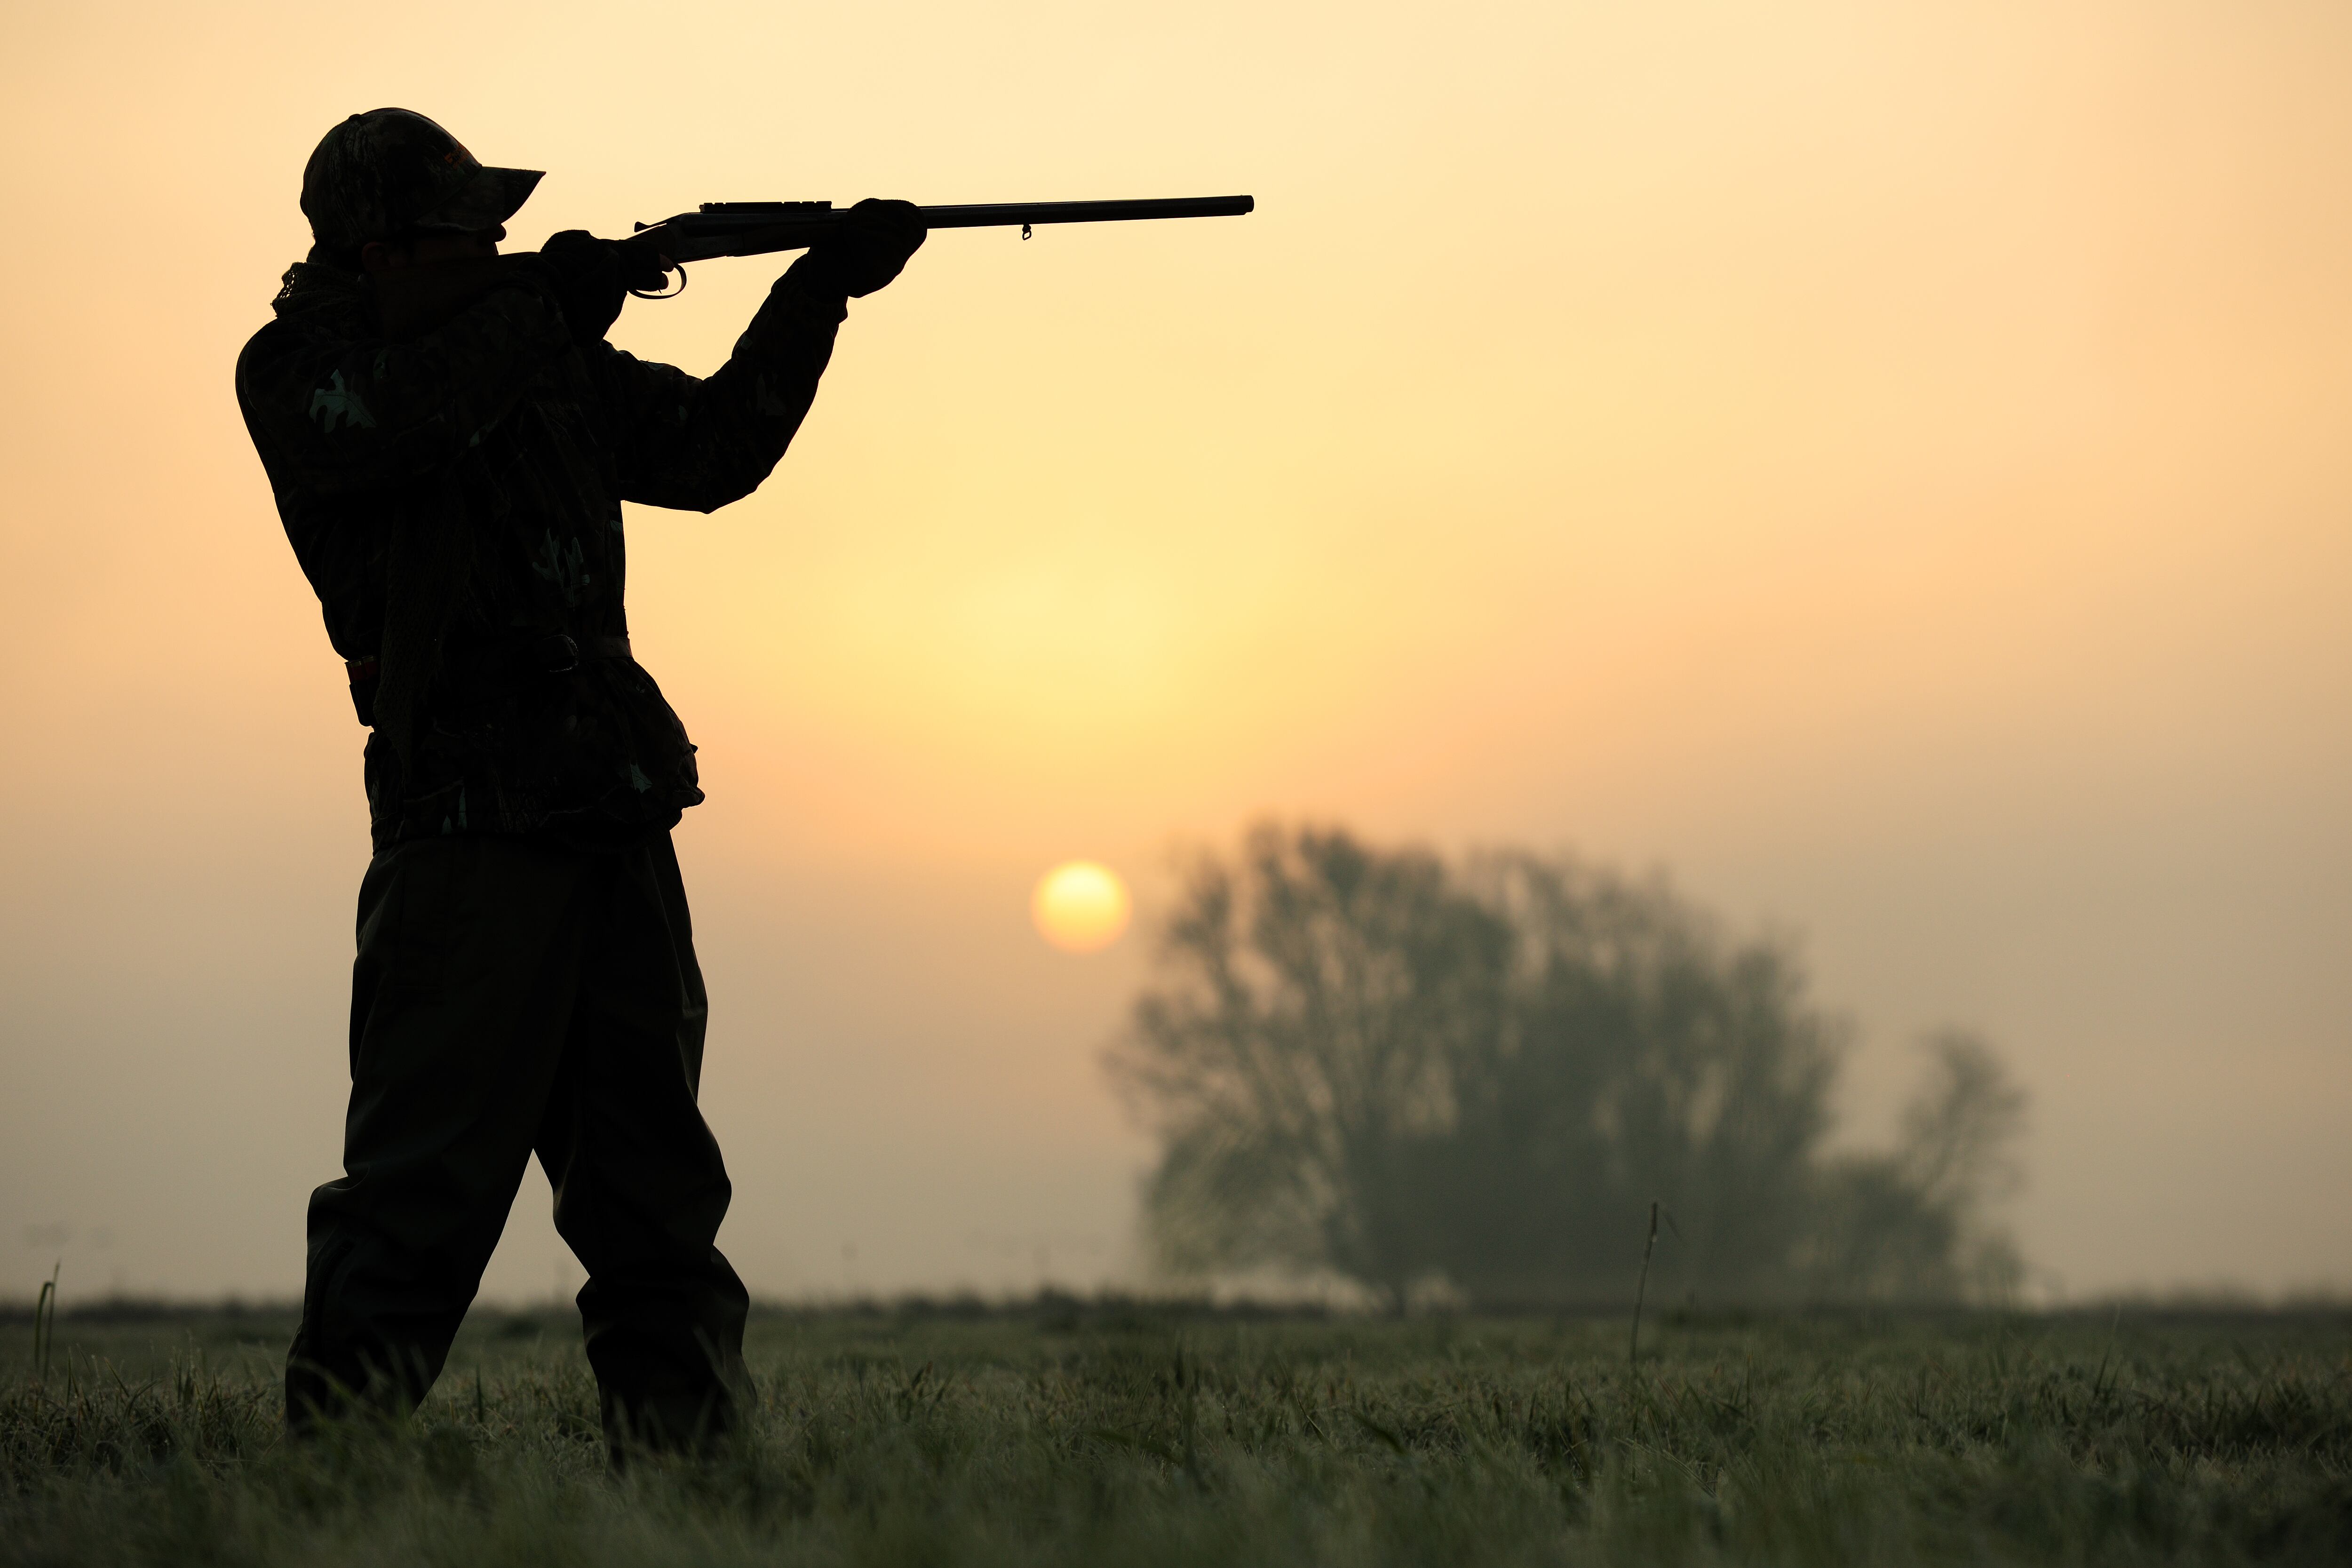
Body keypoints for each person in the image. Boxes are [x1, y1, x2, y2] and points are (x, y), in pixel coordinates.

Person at [234, 108, 923, 1452]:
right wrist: (547, 300)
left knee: (656, 1200)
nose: (491, 246)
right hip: (467, 832)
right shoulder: (299, 368)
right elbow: (396, 426)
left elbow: (716, 453)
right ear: (380, 247)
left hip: (610, 814)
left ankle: (694, 1494)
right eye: (464, 233)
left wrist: (815, 294)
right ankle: (321, 1488)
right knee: (418, 1198)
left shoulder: (540, 358)